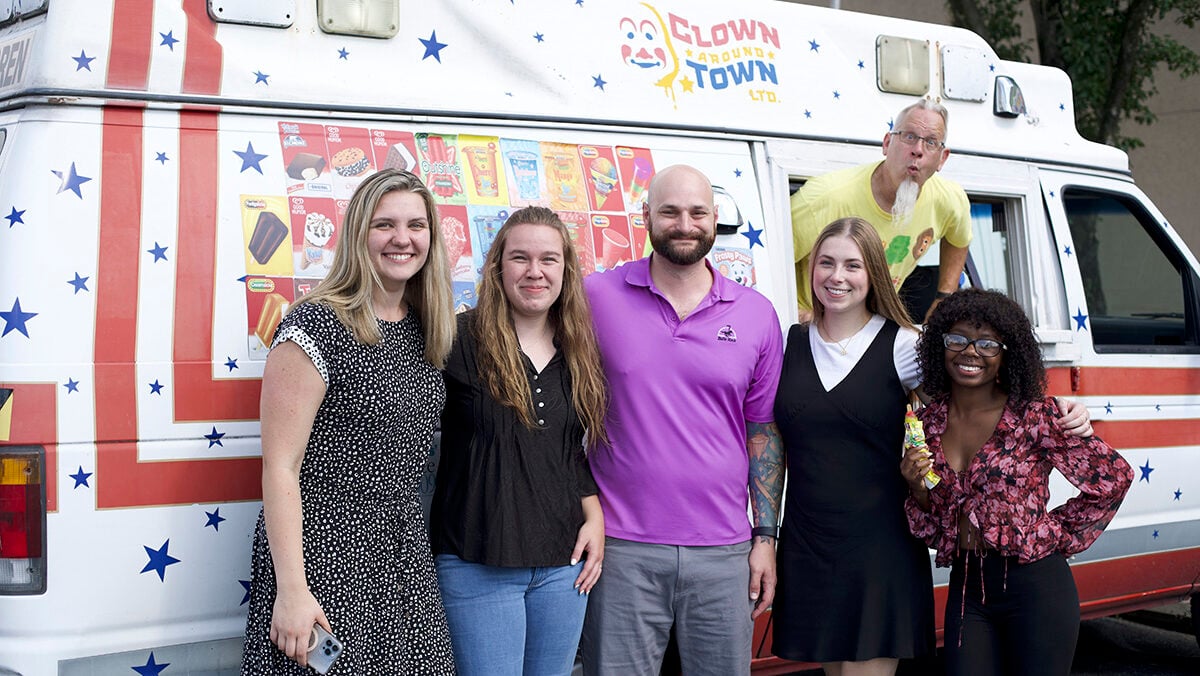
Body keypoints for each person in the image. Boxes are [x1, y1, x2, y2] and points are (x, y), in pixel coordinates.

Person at [241, 169, 457, 675]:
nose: (402, 239)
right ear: (359, 234)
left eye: (416, 225)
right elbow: (280, 467)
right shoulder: (313, 324)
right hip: (324, 559)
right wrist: (292, 590)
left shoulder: (426, 327)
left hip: (402, 560)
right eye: (385, 225)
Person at [580, 165, 785, 675]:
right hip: (621, 547)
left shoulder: (757, 314)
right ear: (646, 216)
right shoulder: (595, 297)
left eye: (697, 212)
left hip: (723, 550)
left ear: (716, 219)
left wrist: (765, 539)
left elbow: (763, 433)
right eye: (669, 212)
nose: (684, 224)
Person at [902, 288, 1133, 676]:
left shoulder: (1035, 416)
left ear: (1007, 352)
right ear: (940, 345)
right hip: (968, 590)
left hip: (1037, 587)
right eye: (957, 339)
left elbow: (1113, 479)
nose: (970, 352)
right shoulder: (928, 423)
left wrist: (1051, 533)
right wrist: (916, 487)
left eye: (988, 343)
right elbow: (934, 521)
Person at [431, 206, 608, 675]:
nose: (535, 272)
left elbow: (567, 451)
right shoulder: (457, 340)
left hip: (563, 566)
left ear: (565, 271)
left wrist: (594, 516)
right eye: (520, 258)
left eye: (549, 259)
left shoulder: (579, 349)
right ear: (497, 267)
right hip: (477, 562)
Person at [771, 217, 935, 676]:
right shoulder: (789, 342)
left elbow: (977, 401)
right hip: (810, 543)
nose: (836, 277)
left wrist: (1061, 414)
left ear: (873, 274)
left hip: (880, 547)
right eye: (826, 263)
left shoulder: (904, 345)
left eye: (852, 265)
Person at [791, 98, 972, 321]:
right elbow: (761, 259)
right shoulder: (825, 197)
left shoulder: (950, 200)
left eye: (931, 142)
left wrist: (944, 297)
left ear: (942, 159)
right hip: (808, 329)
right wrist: (793, 313)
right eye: (909, 136)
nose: (917, 150)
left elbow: (959, 238)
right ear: (886, 143)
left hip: (868, 331)